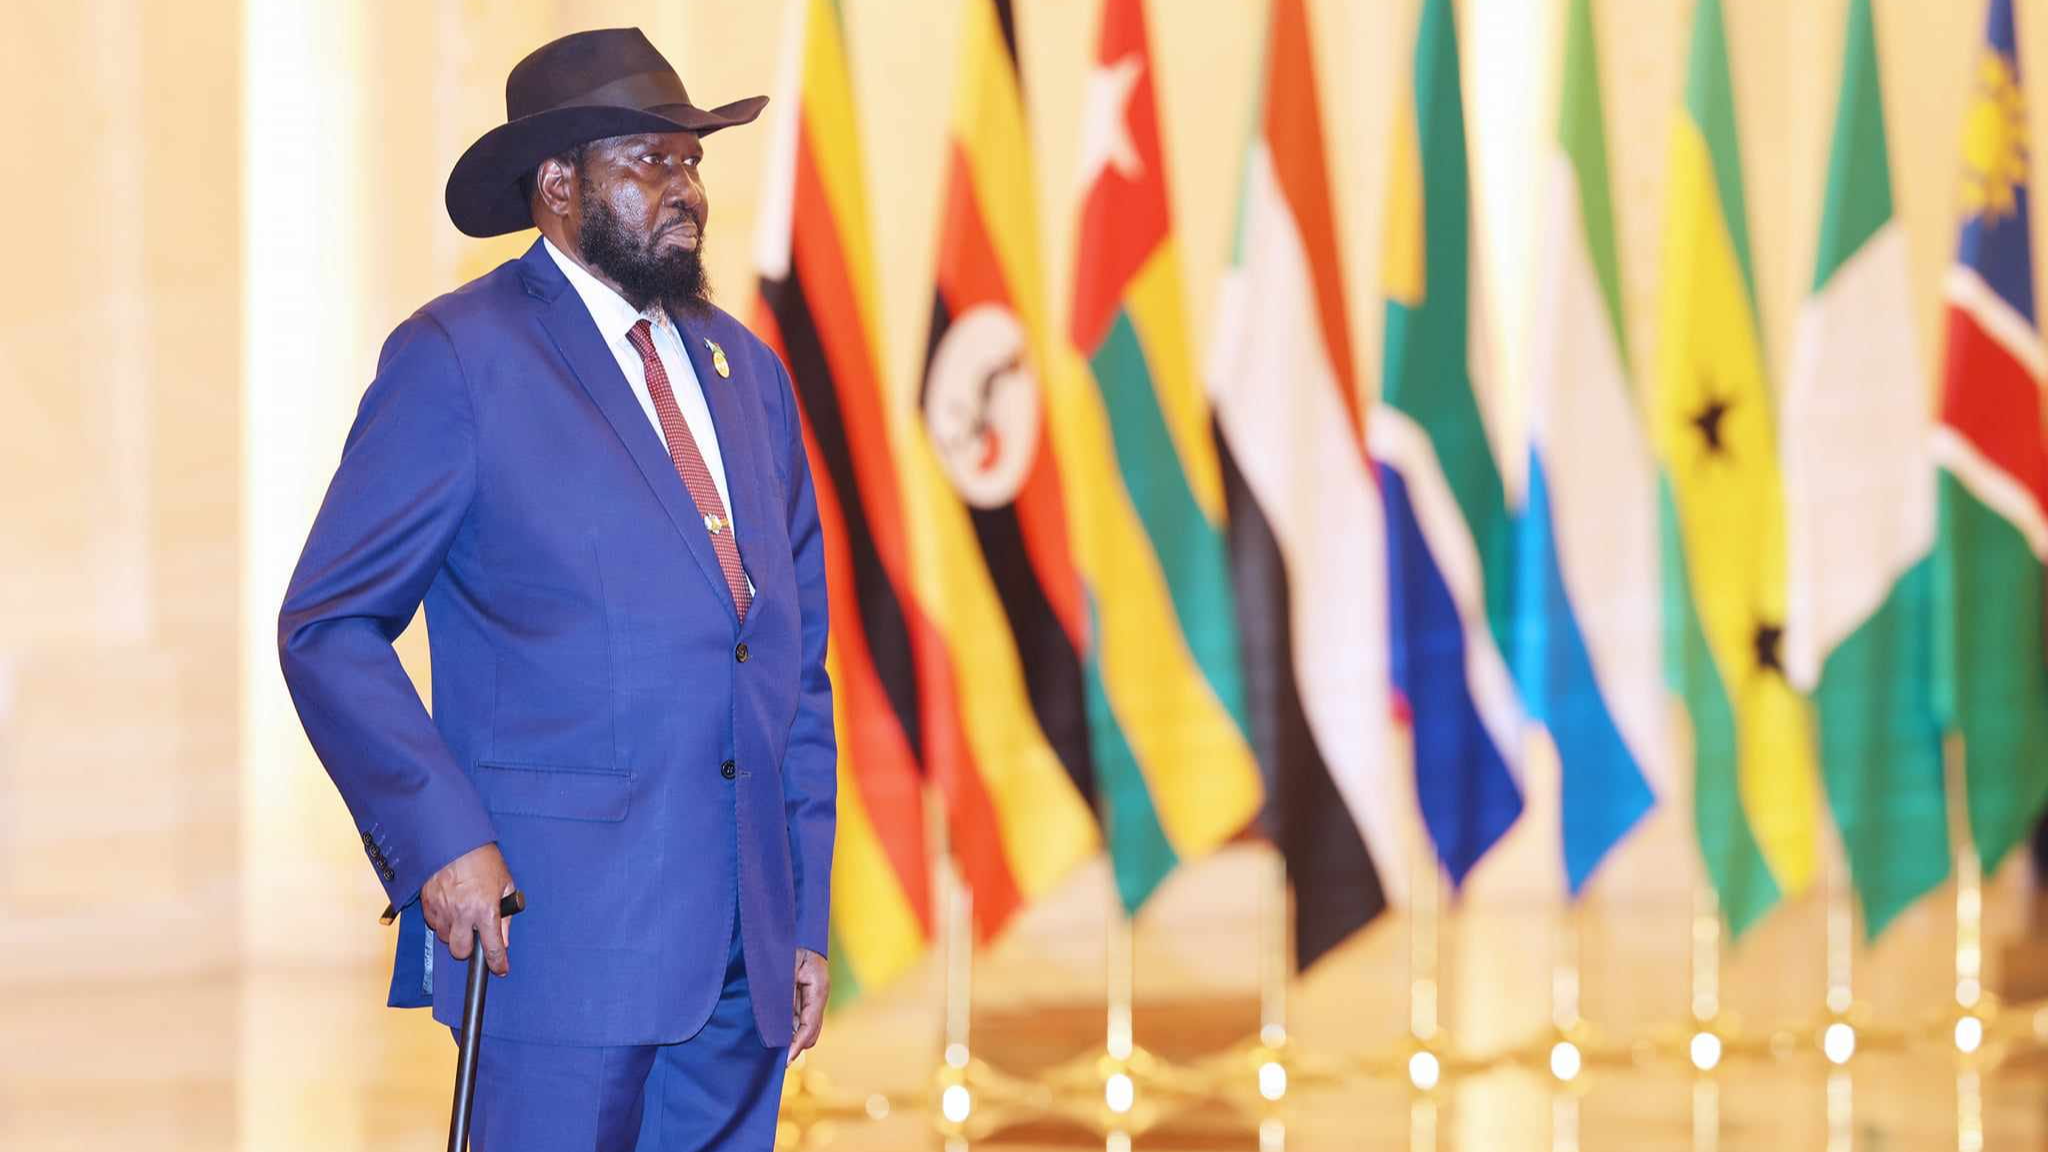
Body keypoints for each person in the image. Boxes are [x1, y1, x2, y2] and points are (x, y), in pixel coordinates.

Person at [277, 27, 835, 1150]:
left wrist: (803, 912)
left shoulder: (746, 373)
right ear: (557, 186)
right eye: (650, 164)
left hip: (741, 951)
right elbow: (329, 624)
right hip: (557, 939)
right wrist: (438, 841)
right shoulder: (458, 359)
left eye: (692, 163)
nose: (685, 192)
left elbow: (788, 661)